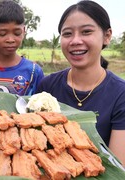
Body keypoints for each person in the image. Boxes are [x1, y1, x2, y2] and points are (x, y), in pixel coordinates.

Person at [36, 0, 125, 167]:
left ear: (107, 36)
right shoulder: (46, 87)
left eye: (86, 32)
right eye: (67, 34)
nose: (75, 40)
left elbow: (118, 168)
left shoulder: (121, 94)